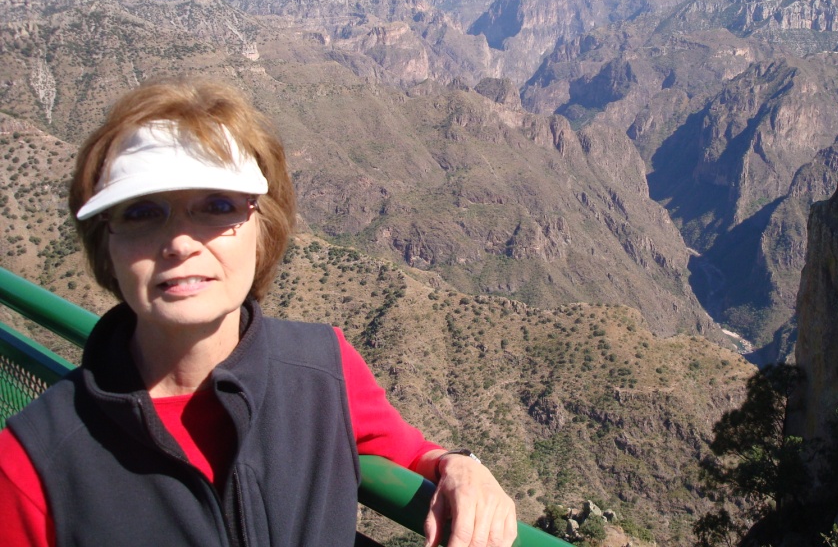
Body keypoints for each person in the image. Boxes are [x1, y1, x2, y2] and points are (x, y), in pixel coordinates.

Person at [0, 78, 517, 547]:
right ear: (106, 245)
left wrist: (464, 468)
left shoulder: (323, 367)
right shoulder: (30, 468)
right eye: (140, 213)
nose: (180, 241)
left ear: (262, 227)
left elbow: (413, 452)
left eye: (217, 205)